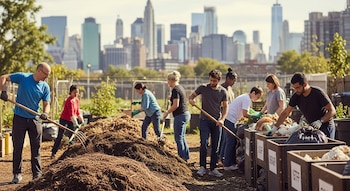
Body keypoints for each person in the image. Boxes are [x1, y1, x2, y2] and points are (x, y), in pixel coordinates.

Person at [0, 62, 51, 184]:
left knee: (36, 148)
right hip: (20, 118)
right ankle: (17, 174)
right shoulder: (23, 78)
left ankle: (37, 175)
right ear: (39, 71)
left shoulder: (45, 86)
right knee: (17, 147)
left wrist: (46, 113)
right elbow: (3, 77)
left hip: (35, 119)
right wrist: (4, 91)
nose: (47, 77)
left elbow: (46, 103)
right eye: (46, 74)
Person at [268, 72, 336, 138]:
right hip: (313, 127)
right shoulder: (296, 96)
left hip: (326, 127)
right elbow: (286, 112)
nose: (296, 90)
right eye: (294, 88)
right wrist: (275, 127)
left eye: (298, 88)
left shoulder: (318, 93)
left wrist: (320, 121)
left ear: (305, 84)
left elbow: (332, 111)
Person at [189, 69, 228, 177]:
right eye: (211, 80)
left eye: (214, 81)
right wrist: (192, 100)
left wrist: (222, 120)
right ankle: (202, 167)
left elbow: (225, 107)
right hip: (204, 120)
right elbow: (191, 96)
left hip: (216, 122)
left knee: (215, 146)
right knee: (204, 144)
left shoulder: (222, 92)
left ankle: (213, 168)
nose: (212, 83)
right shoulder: (203, 88)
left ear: (219, 80)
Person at [223, 86, 264, 171]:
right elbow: (245, 114)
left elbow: (247, 111)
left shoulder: (245, 97)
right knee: (230, 141)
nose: (257, 99)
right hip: (230, 119)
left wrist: (253, 113)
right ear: (253, 93)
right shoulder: (247, 99)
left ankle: (227, 161)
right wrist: (254, 116)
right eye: (258, 97)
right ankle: (227, 164)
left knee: (229, 140)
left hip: (230, 119)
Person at [163, 71, 191, 161]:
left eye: (168, 81)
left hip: (180, 115)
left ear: (171, 80)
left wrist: (167, 112)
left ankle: (181, 158)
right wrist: (170, 98)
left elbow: (176, 105)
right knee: (182, 137)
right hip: (185, 113)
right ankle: (185, 156)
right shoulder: (180, 87)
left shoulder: (175, 89)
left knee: (178, 138)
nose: (168, 83)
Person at [51, 85, 83, 159]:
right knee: (60, 135)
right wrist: (76, 124)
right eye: (74, 92)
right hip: (64, 119)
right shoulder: (69, 101)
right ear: (70, 92)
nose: (76, 94)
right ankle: (53, 152)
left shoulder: (76, 100)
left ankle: (72, 152)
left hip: (71, 120)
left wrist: (81, 119)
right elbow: (71, 114)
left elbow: (77, 111)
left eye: (77, 92)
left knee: (72, 136)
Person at [219, 67, 237, 164]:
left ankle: (222, 157)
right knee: (223, 138)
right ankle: (220, 157)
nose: (234, 82)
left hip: (230, 115)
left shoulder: (230, 89)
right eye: (234, 80)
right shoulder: (221, 89)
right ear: (229, 79)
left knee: (226, 138)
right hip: (223, 116)